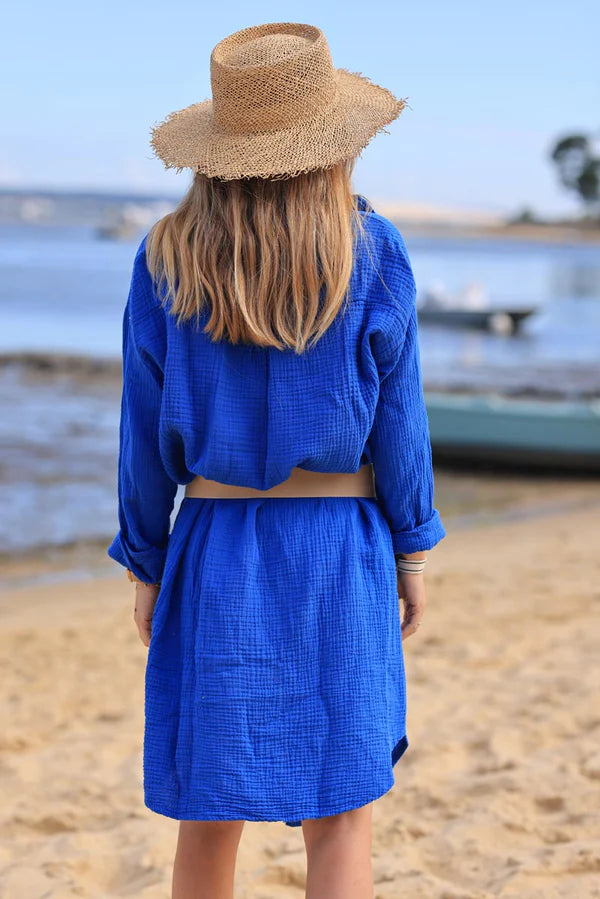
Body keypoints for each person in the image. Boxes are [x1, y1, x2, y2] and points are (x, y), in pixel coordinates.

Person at [107, 21, 446, 899]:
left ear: (214, 151)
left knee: (207, 809)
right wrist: (412, 548)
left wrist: (146, 560)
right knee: (340, 814)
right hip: (340, 548)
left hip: (216, 549)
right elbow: (401, 425)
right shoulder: (374, 254)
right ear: (333, 143)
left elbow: (142, 438)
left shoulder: (164, 260)